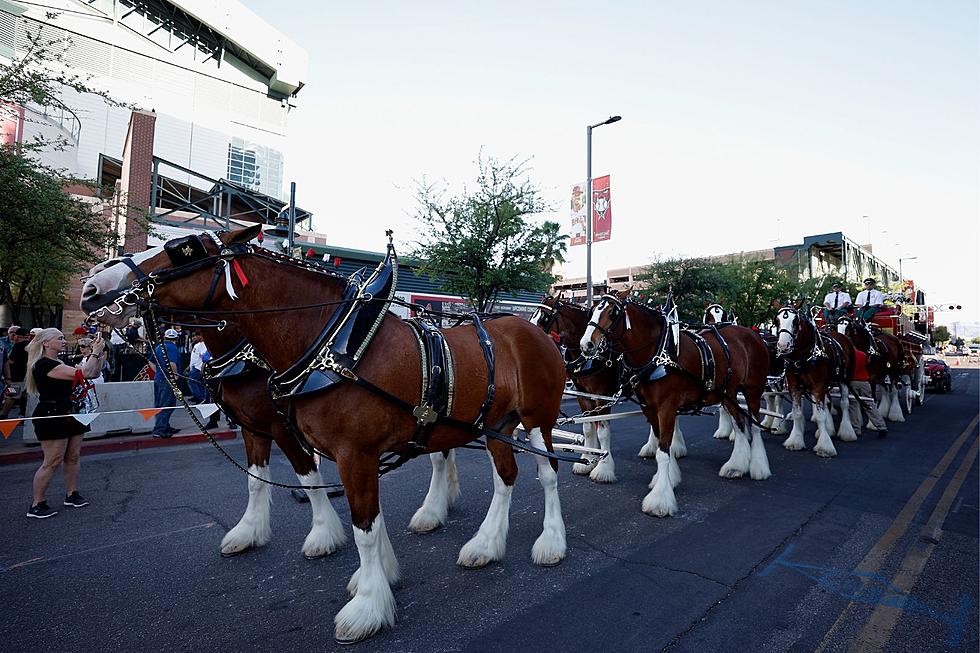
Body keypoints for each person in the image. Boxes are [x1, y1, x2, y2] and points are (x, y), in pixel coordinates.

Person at [25, 328, 107, 518]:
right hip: (52, 414)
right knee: (52, 461)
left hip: (72, 412)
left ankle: (72, 494)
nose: (64, 341)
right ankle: (37, 503)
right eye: (59, 338)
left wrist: (100, 353)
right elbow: (84, 372)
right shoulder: (43, 364)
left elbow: (92, 373)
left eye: (63, 337)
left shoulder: (63, 361)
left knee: (73, 456)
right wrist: (94, 351)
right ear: (46, 343)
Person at [848, 348, 887, 438]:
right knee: (869, 404)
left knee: (853, 405)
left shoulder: (848, 355)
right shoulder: (863, 355)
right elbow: (868, 366)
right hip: (864, 382)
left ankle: (856, 429)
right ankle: (881, 426)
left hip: (852, 382)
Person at [150, 328, 181, 438]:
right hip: (167, 380)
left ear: (165, 337)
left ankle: (164, 425)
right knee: (167, 404)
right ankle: (160, 429)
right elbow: (172, 363)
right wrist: (175, 375)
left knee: (159, 403)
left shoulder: (159, 347)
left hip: (159, 378)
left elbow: (151, 362)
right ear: (176, 338)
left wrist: (159, 371)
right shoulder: (172, 348)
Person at [1, 327, 30, 418]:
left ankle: (3, 414)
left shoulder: (18, 346)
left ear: (18, 336)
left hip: (16, 376)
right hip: (26, 376)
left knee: (11, 396)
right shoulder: (30, 346)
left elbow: (11, 361)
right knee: (24, 397)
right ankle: (23, 414)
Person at [186, 333, 209, 404]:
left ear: (200, 336)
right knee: (199, 383)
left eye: (195, 336)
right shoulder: (197, 345)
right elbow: (194, 358)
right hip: (194, 367)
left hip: (198, 368)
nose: (193, 338)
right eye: (192, 336)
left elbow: (205, 357)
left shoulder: (202, 345)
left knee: (191, 381)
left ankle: (199, 398)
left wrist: (202, 368)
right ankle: (202, 398)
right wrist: (188, 367)